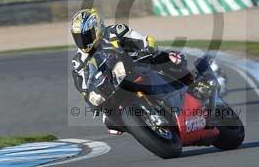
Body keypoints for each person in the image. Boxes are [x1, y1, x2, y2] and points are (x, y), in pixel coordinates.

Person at [70, 8, 206, 133]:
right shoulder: (78, 62)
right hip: (113, 87)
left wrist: (146, 45)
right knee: (108, 119)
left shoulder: (115, 31)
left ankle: (195, 85)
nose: (83, 41)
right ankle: (145, 126)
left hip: (135, 63)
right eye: (78, 37)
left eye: (86, 36)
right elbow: (84, 89)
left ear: (96, 27)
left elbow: (141, 40)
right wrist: (92, 99)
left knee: (171, 59)